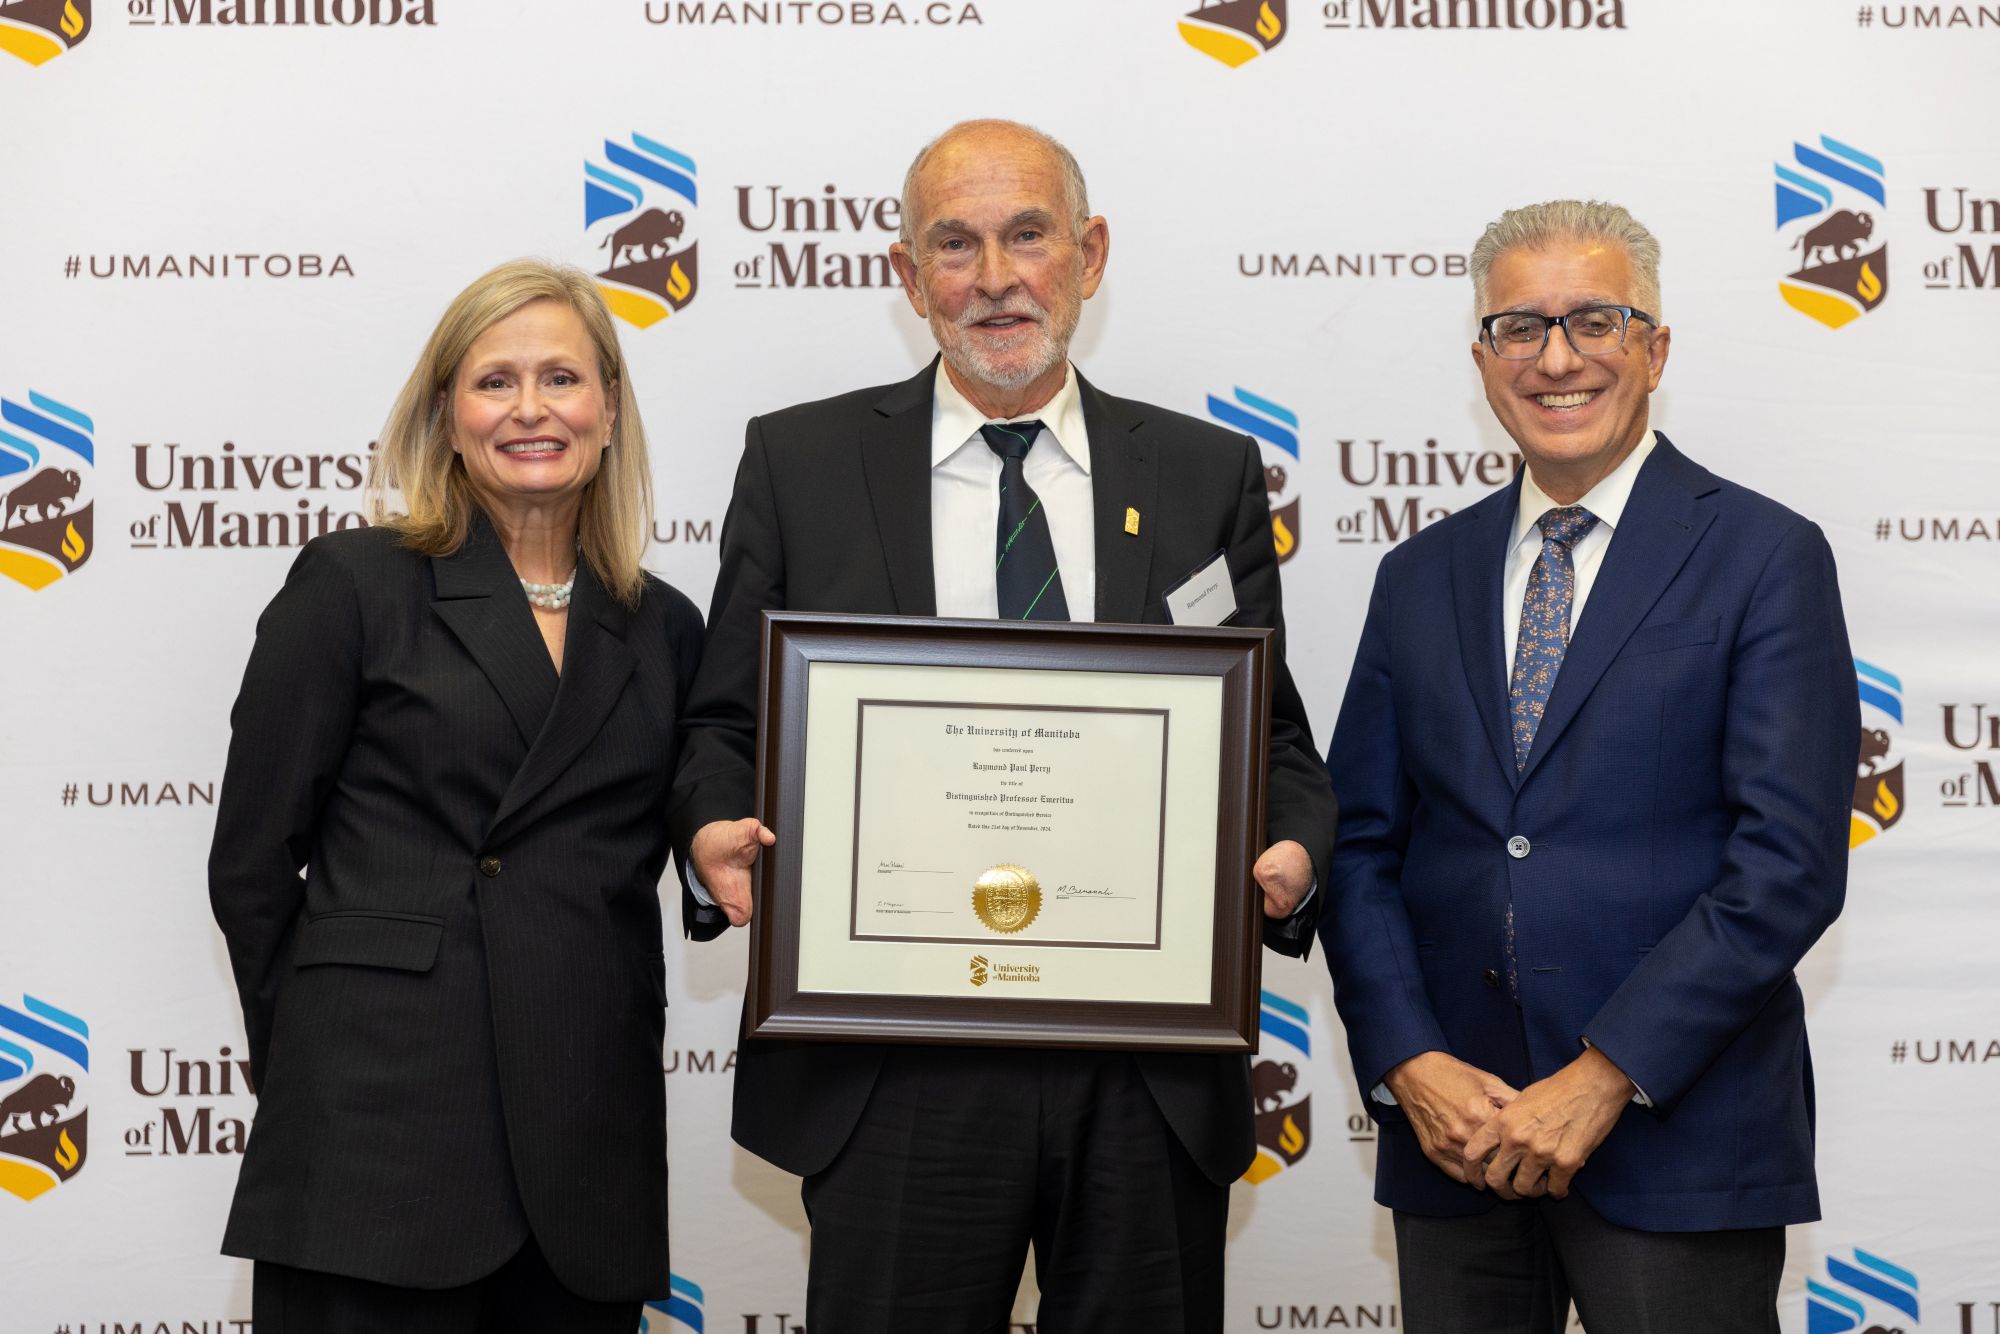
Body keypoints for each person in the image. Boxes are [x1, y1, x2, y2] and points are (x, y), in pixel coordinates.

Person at [669, 119, 1336, 1332]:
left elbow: (1268, 733)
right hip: (895, 1061)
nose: (993, 277)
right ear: (906, 276)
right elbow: (725, 717)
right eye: (954, 244)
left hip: (1144, 1063)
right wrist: (714, 824)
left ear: (1087, 253)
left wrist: (1291, 847)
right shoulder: (799, 461)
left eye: (1026, 235)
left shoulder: (1204, 472)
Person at [1320, 200, 1858, 1332]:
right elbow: (1361, 843)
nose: (1555, 357)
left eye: (1594, 320)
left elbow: (1785, 864)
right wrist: (1407, 1056)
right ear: (1480, 359)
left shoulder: (1764, 555)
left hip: (1675, 1136)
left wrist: (1603, 1072)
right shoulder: (1417, 573)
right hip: (1453, 1142)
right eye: (1518, 326)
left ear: (1654, 346)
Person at [208, 259, 705, 1332]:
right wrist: (316, 1058)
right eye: (495, 381)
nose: (530, 408)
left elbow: (688, 816)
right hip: (376, 1138)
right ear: (447, 413)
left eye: (562, 378)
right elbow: (250, 860)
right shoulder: (353, 583)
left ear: (608, 409)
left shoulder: (663, 625)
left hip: (583, 1139)